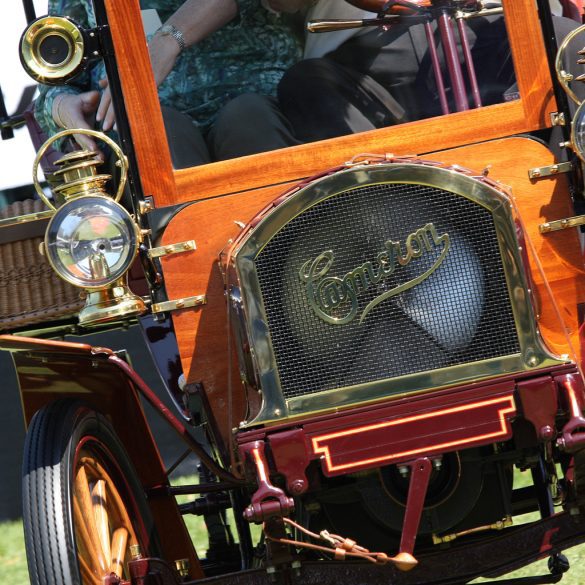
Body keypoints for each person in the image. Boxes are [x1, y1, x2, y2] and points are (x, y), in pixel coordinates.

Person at [35, 0, 307, 167]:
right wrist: (62, 106)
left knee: (249, 122)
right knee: (157, 136)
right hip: (146, 120)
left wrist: (168, 40)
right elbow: (58, 78)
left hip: (249, 94)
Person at [277, 0, 585, 143]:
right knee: (307, 83)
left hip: (507, 27)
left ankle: (569, 211)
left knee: (571, 43)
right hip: (367, 56)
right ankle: (393, 224)